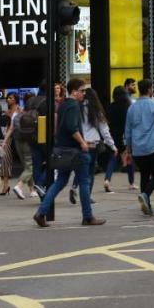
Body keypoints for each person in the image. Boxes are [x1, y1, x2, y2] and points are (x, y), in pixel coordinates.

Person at [33, 79, 104, 227]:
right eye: (82, 90)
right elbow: (72, 128)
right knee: (84, 181)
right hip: (75, 151)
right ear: (74, 91)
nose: (84, 93)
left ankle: (41, 212)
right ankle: (88, 216)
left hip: (63, 149)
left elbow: (59, 125)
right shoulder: (73, 106)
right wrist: (83, 142)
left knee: (60, 182)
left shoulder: (63, 105)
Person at [123, 78, 154, 217]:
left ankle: (146, 203)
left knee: (144, 173)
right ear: (149, 89)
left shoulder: (132, 107)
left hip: (137, 147)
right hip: (153, 145)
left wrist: (128, 149)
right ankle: (145, 194)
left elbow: (128, 129)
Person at [76, 88, 115, 206]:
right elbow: (104, 129)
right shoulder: (96, 109)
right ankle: (87, 197)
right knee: (90, 173)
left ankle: (75, 187)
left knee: (81, 170)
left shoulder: (77, 108)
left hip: (81, 142)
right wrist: (112, 145)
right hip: (93, 143)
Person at [105, 86, 134, 192]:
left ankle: (107, 179)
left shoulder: (110, 107)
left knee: (113, 158)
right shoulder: (128, 107)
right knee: (129, 158)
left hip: (113, 135)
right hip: (124, 136)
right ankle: (131, 183)